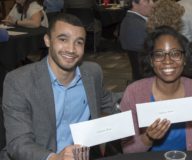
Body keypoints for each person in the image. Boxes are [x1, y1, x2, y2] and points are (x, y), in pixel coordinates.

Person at [1, 13, 120, 160]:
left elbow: (108, 101)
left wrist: (148, 96)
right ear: (47, 40)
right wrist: (54, 158)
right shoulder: (19, 81)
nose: (71, 49)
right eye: (63, 39)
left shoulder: (92, 73)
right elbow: (18, 144)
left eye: (79, 42)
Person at [120, 26, 192, 153]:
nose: (167, 61)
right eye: (159, 55)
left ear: (184, 59)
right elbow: (127, 150)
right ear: (151, 61)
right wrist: (147, 138)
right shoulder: (134, 93)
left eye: (175, 54)